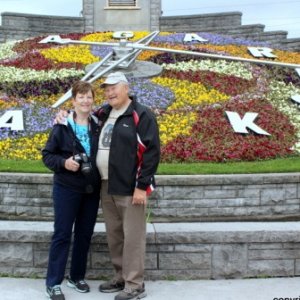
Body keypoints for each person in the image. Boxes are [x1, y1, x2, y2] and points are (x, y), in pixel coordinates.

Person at [95, 71, 160, 300]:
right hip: (106, 184)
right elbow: (82, 122)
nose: (109, 92)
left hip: (130, 187)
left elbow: (151, 153)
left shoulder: (141, 115)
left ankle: (135, 284)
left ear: (126, 88)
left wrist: (141, 186)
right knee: (115, 235)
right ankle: (121, 277)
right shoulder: (104, 113)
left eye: (113, 87)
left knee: (133, 237)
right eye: (106, 88)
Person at [42, 81, 101, 300]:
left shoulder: (98, 124)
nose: (85, 101)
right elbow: (47, 155)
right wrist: (64, 163)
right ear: (73, 100)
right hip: (67, 188)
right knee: (63, 234)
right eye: (81, 97)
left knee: (84, 235)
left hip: (91, 189)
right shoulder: (62, 125)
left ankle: (76, 277)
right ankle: (53, 282)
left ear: (93, 100)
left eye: (89, 96)